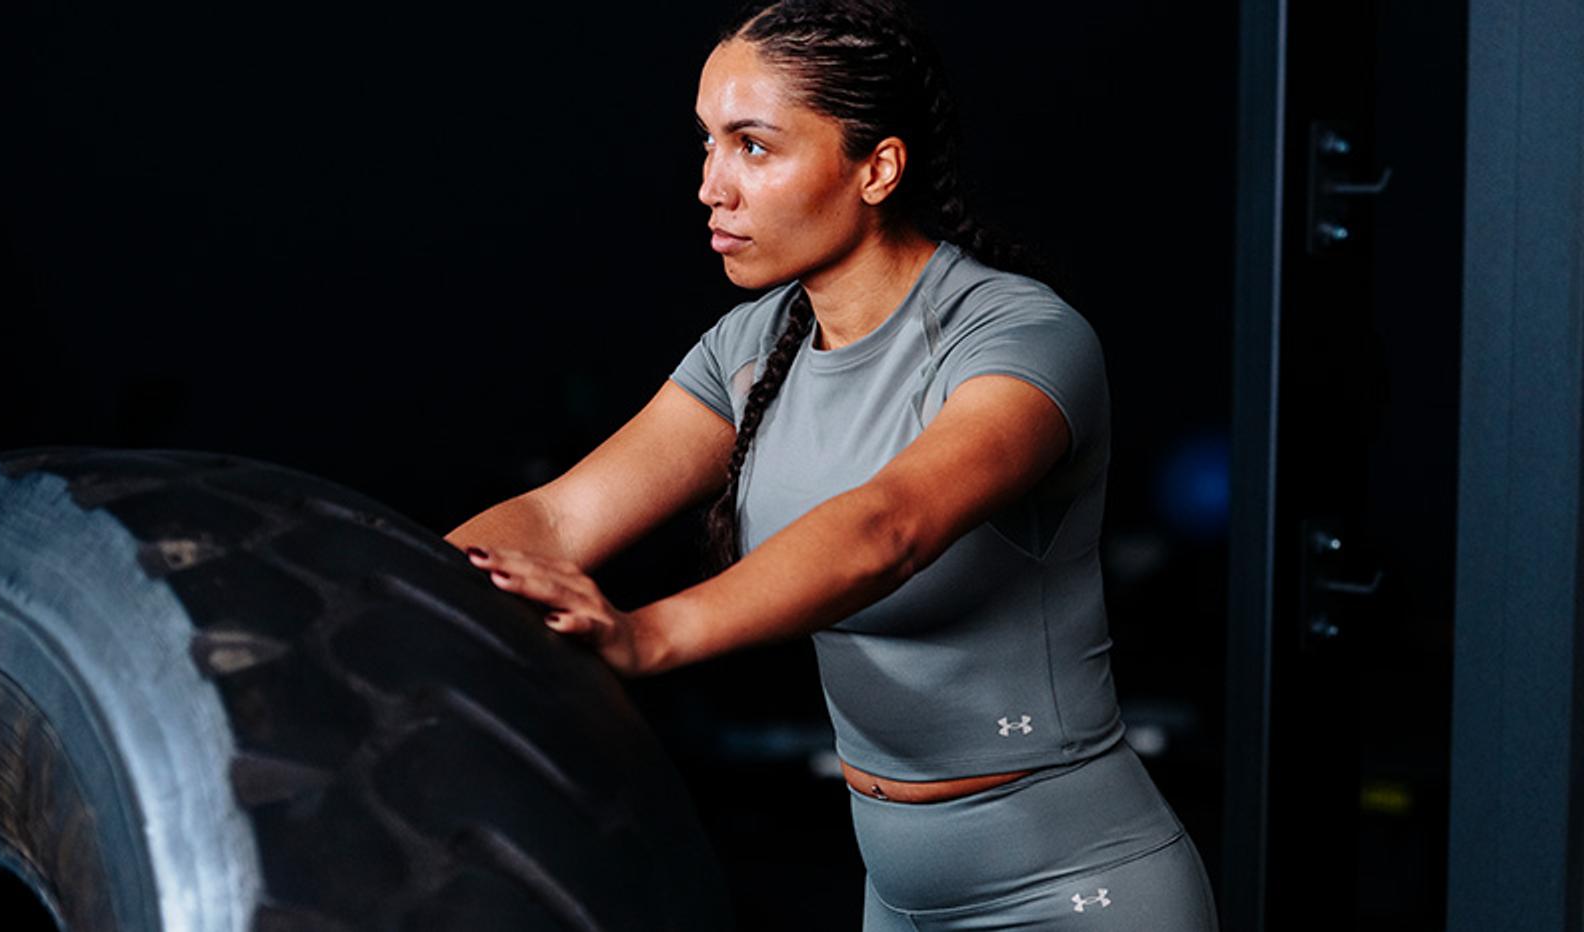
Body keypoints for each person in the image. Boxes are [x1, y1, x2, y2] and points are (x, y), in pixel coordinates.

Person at [447, 1, 1220, 928]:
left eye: (754, 147)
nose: (711, 187)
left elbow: (887, 527)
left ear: (878, 169)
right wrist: (387, 596)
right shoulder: (750, 346)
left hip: (1080, 890)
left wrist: (649, 635)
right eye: (708, 143)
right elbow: (558, 518)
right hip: (895, 896)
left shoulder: (1019, 338)